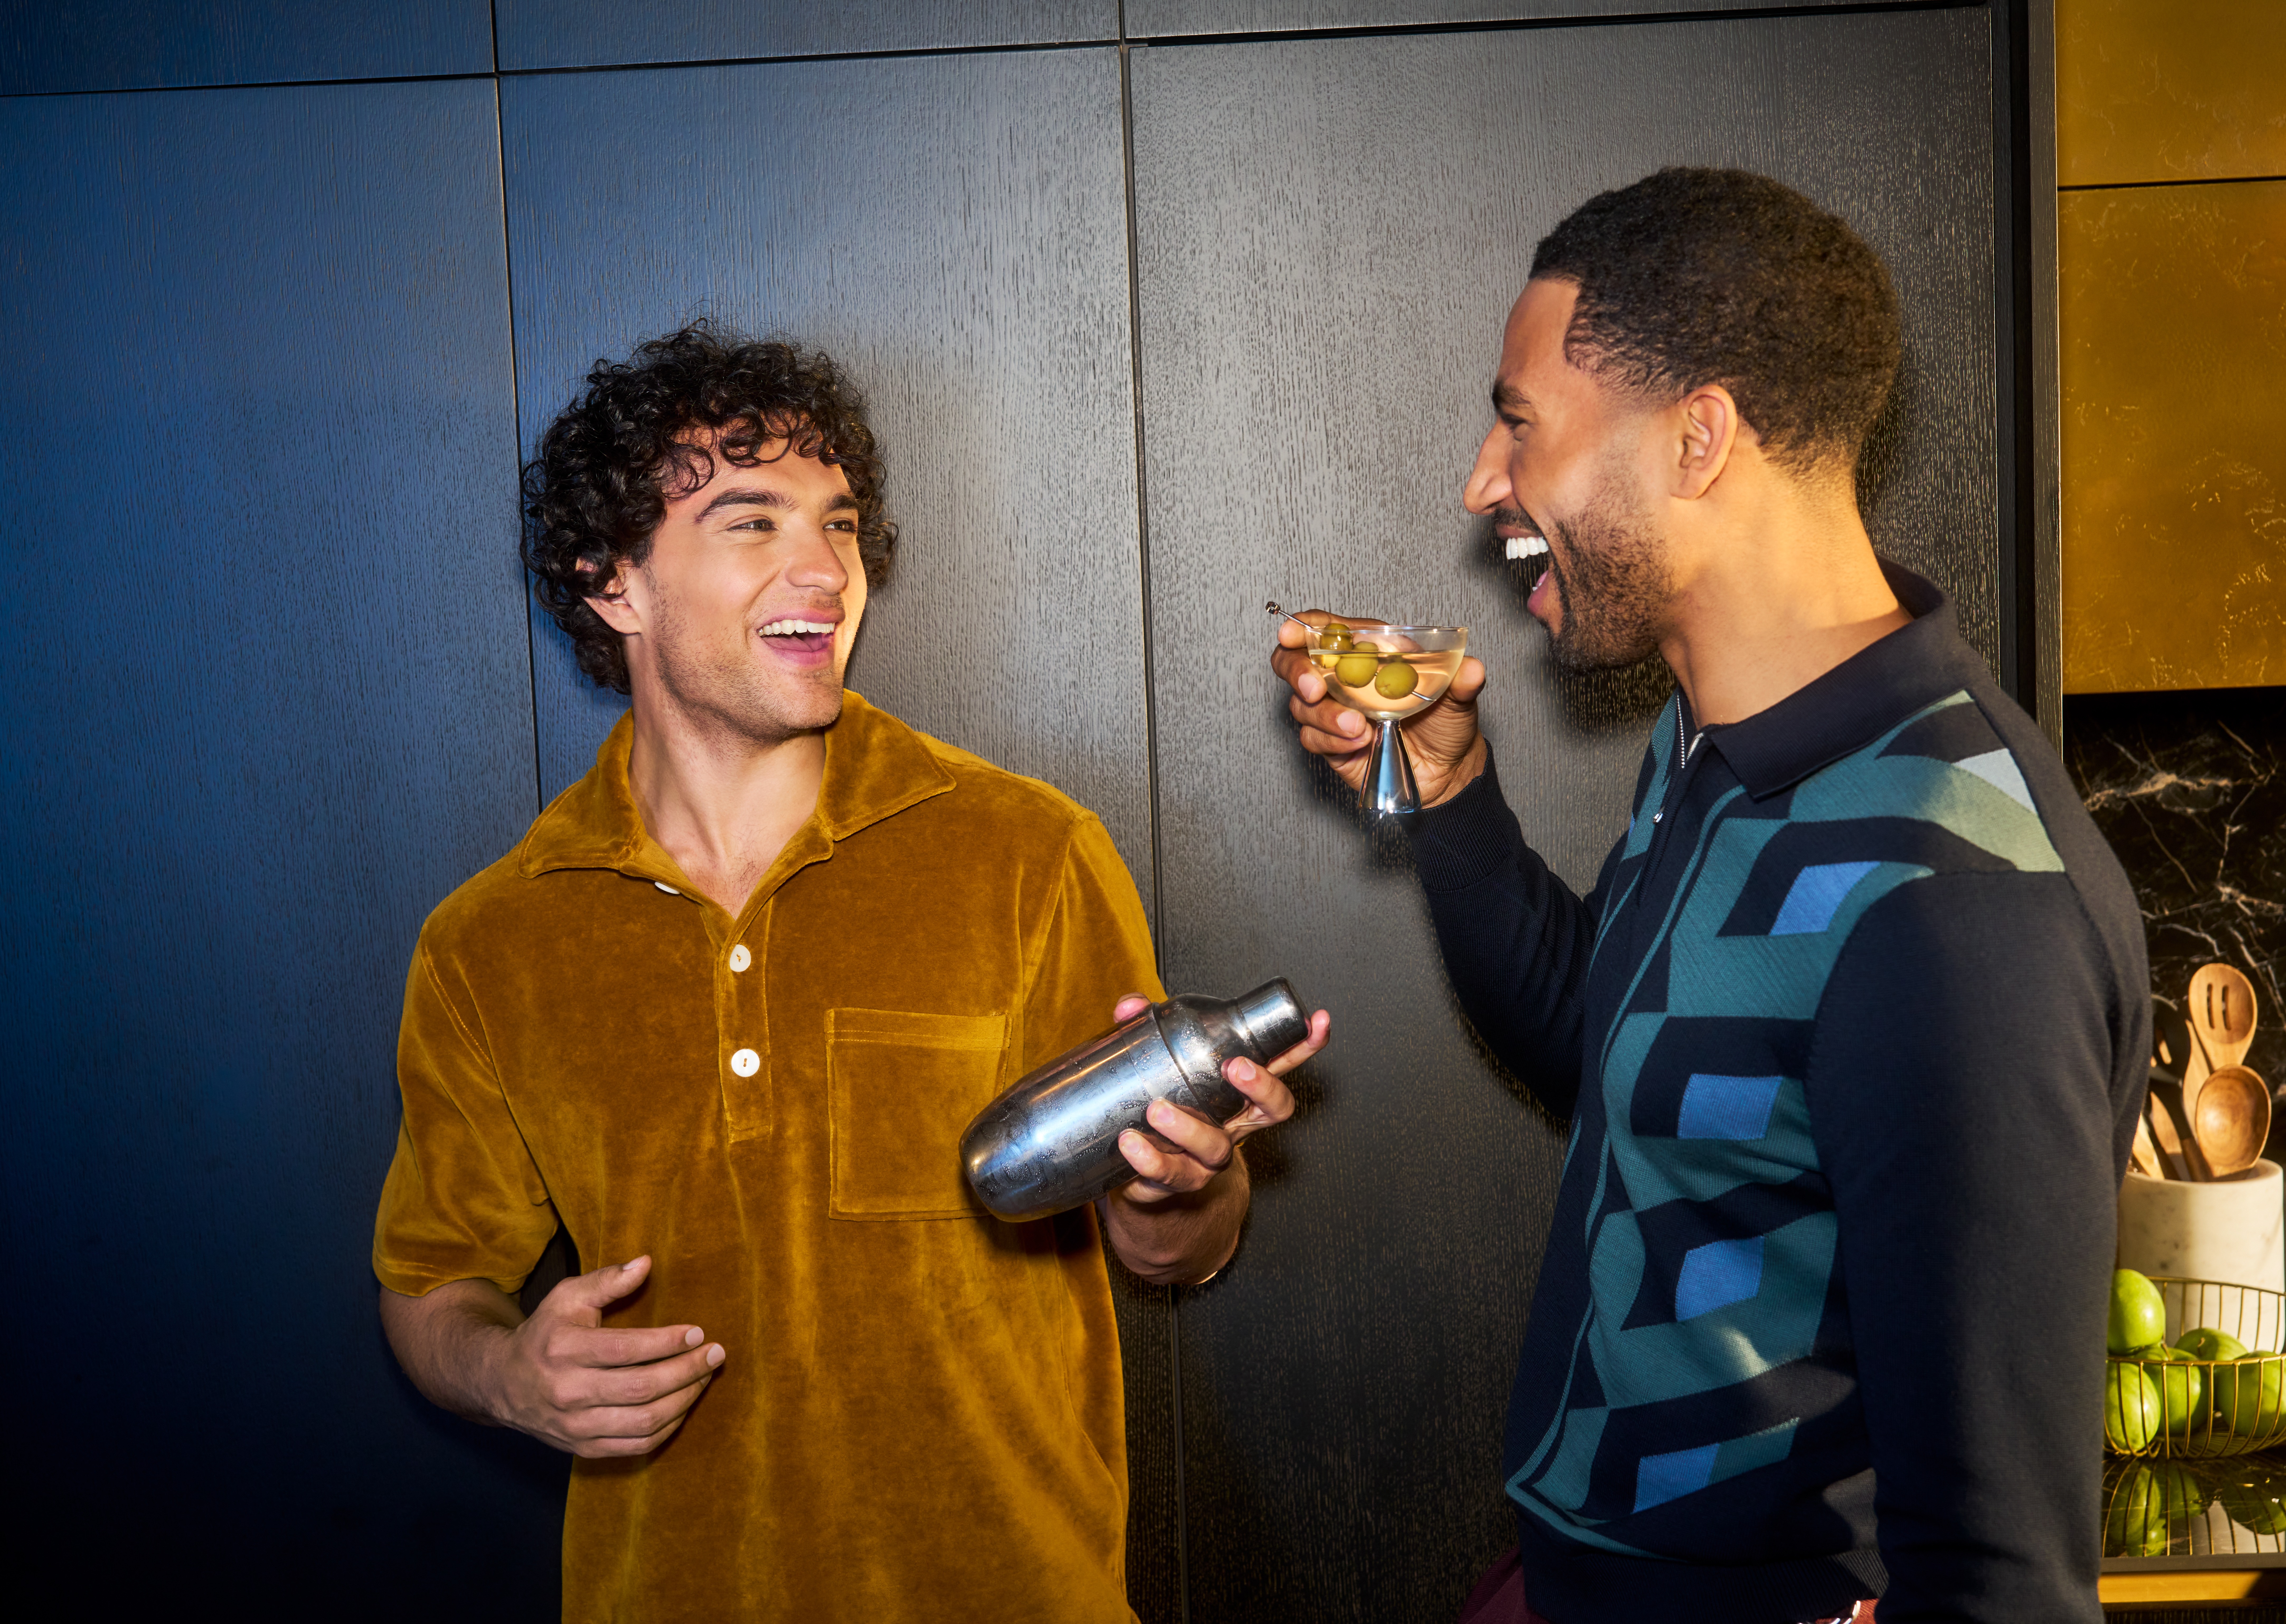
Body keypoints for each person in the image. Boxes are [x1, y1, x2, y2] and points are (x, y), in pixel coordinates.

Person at [1272, 169, 2145, 1624]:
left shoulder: (1955, 903)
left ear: (1697, 438)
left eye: (1519, 422)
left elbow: (2001, 1577)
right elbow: (1621, 1051)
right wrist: (1448, 781)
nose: (1483, 482)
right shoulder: (1717, 741)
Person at [375, 322, 1326, 1623]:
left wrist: (1181, 1189)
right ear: (612, 582)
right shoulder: (493, 940)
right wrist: (507, 1376)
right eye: (751, 522)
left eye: (838, 524)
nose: (826, 569)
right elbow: (429, 1280)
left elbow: (1171, 1250)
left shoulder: (1026, 853)